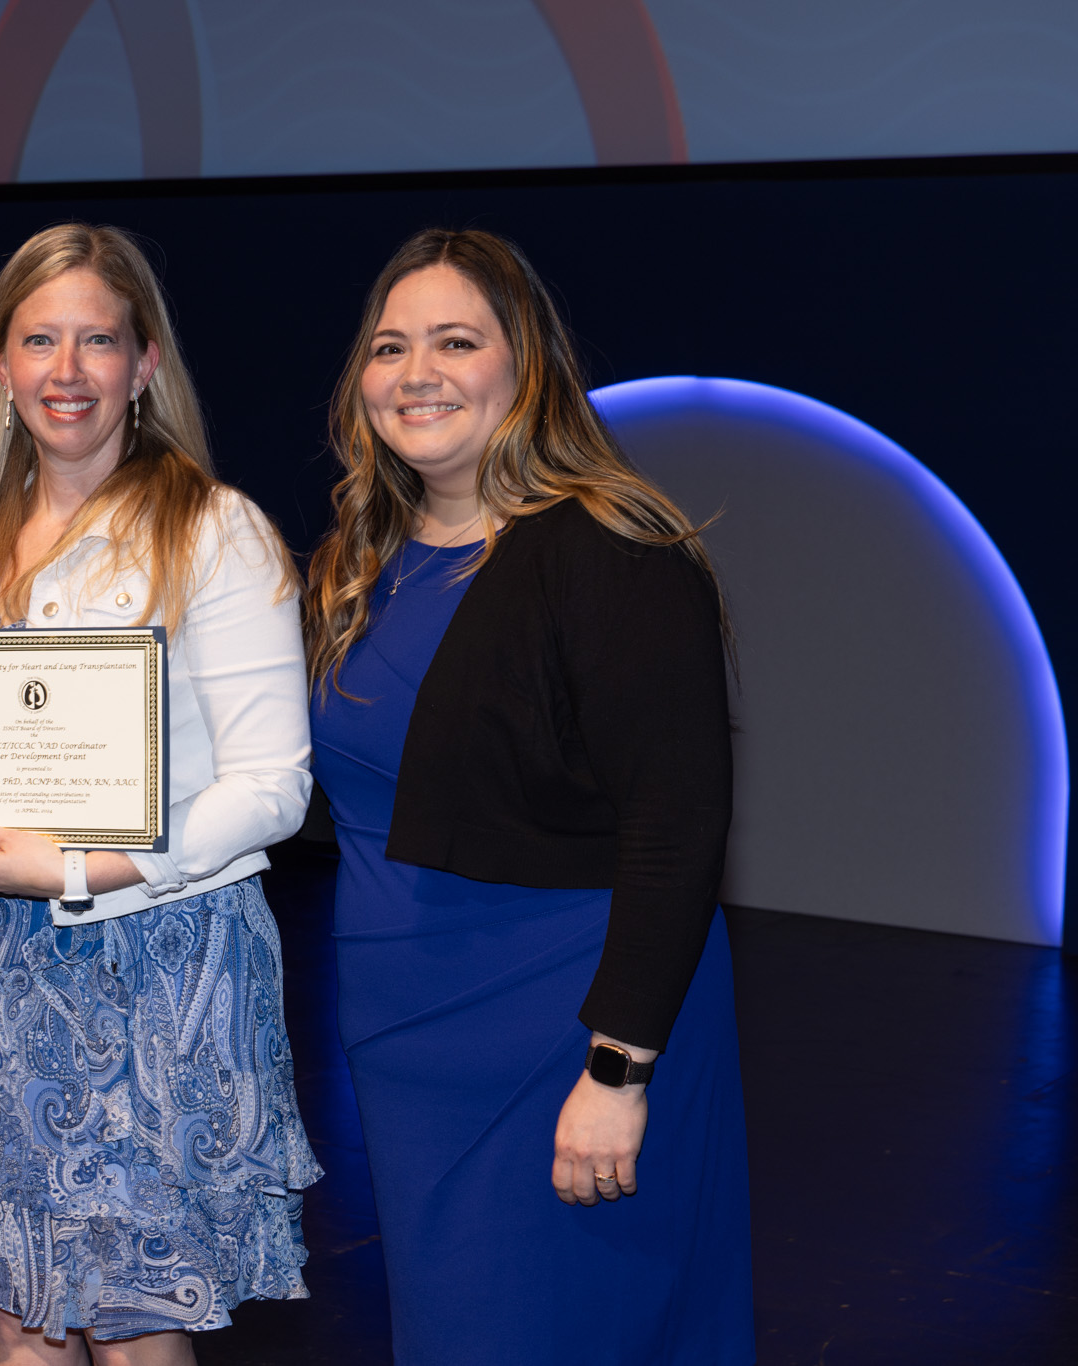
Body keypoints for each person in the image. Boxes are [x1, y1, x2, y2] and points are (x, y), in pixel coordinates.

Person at [0, 223, 323, 1364]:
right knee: (12, 1329)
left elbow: (274, 788)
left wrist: (79, 866)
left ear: (143, 364)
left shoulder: (219, 532)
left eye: (97, 341)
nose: (66, 371)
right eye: (38, 341)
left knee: (134, 1341)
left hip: (157, 972)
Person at [303, 227, 755, 1364]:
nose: (416, 373)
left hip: (565, 1026)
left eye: (455, 341)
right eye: (389, 346)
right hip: (405, 1036)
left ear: (526, 366)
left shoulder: (612, 544)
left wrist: (616, 1070)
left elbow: (677, 825)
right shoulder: (355, 562)